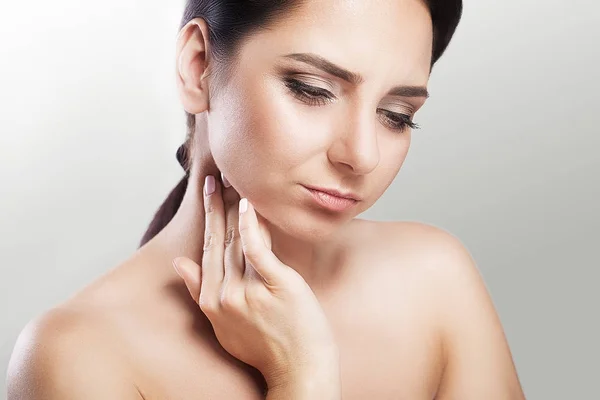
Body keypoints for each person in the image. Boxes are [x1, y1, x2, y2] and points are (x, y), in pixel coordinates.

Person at [7, 0, 526, 398]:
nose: (362, 155)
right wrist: (302, 377)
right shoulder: (77, 354)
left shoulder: (434, 279)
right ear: (198, 65)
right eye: (312, 89)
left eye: (396, 115)